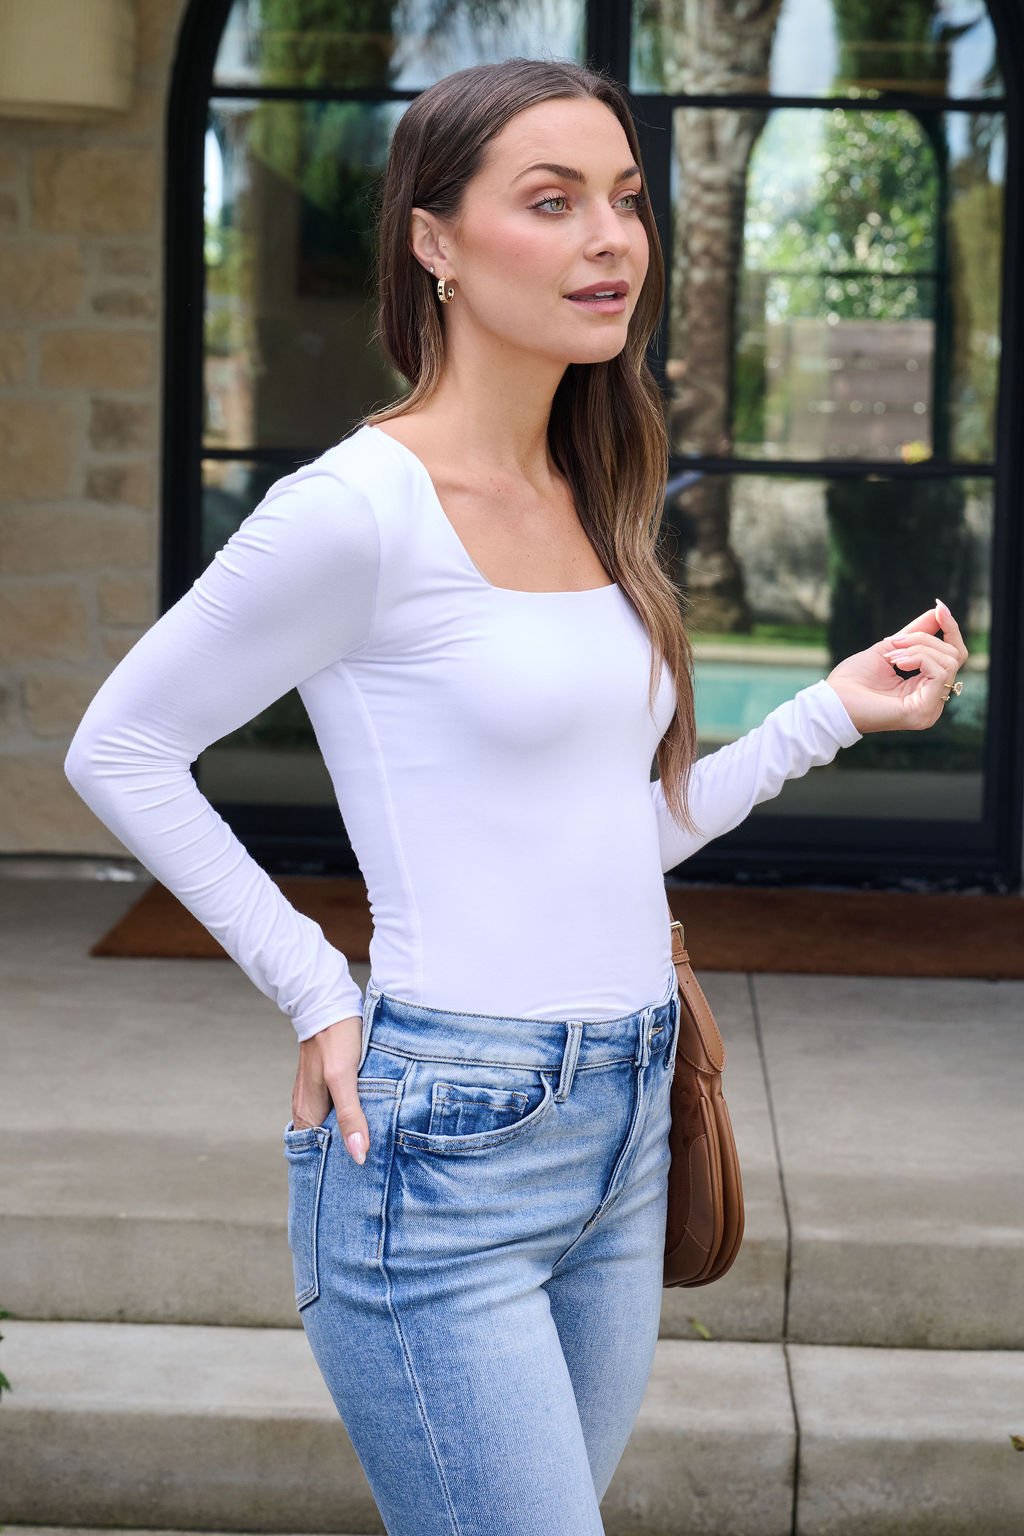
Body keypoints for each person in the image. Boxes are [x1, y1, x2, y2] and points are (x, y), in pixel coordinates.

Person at [64, 55, 968, 1536]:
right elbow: (118, 748)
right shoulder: (354, 512)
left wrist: (828, 714)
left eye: (623, 199)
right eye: (550, 202)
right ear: (435, 243)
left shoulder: (589, 486)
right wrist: (315, 988)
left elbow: (623, 833)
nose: (611, 239)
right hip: (446, 1142)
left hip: (624, 1121)